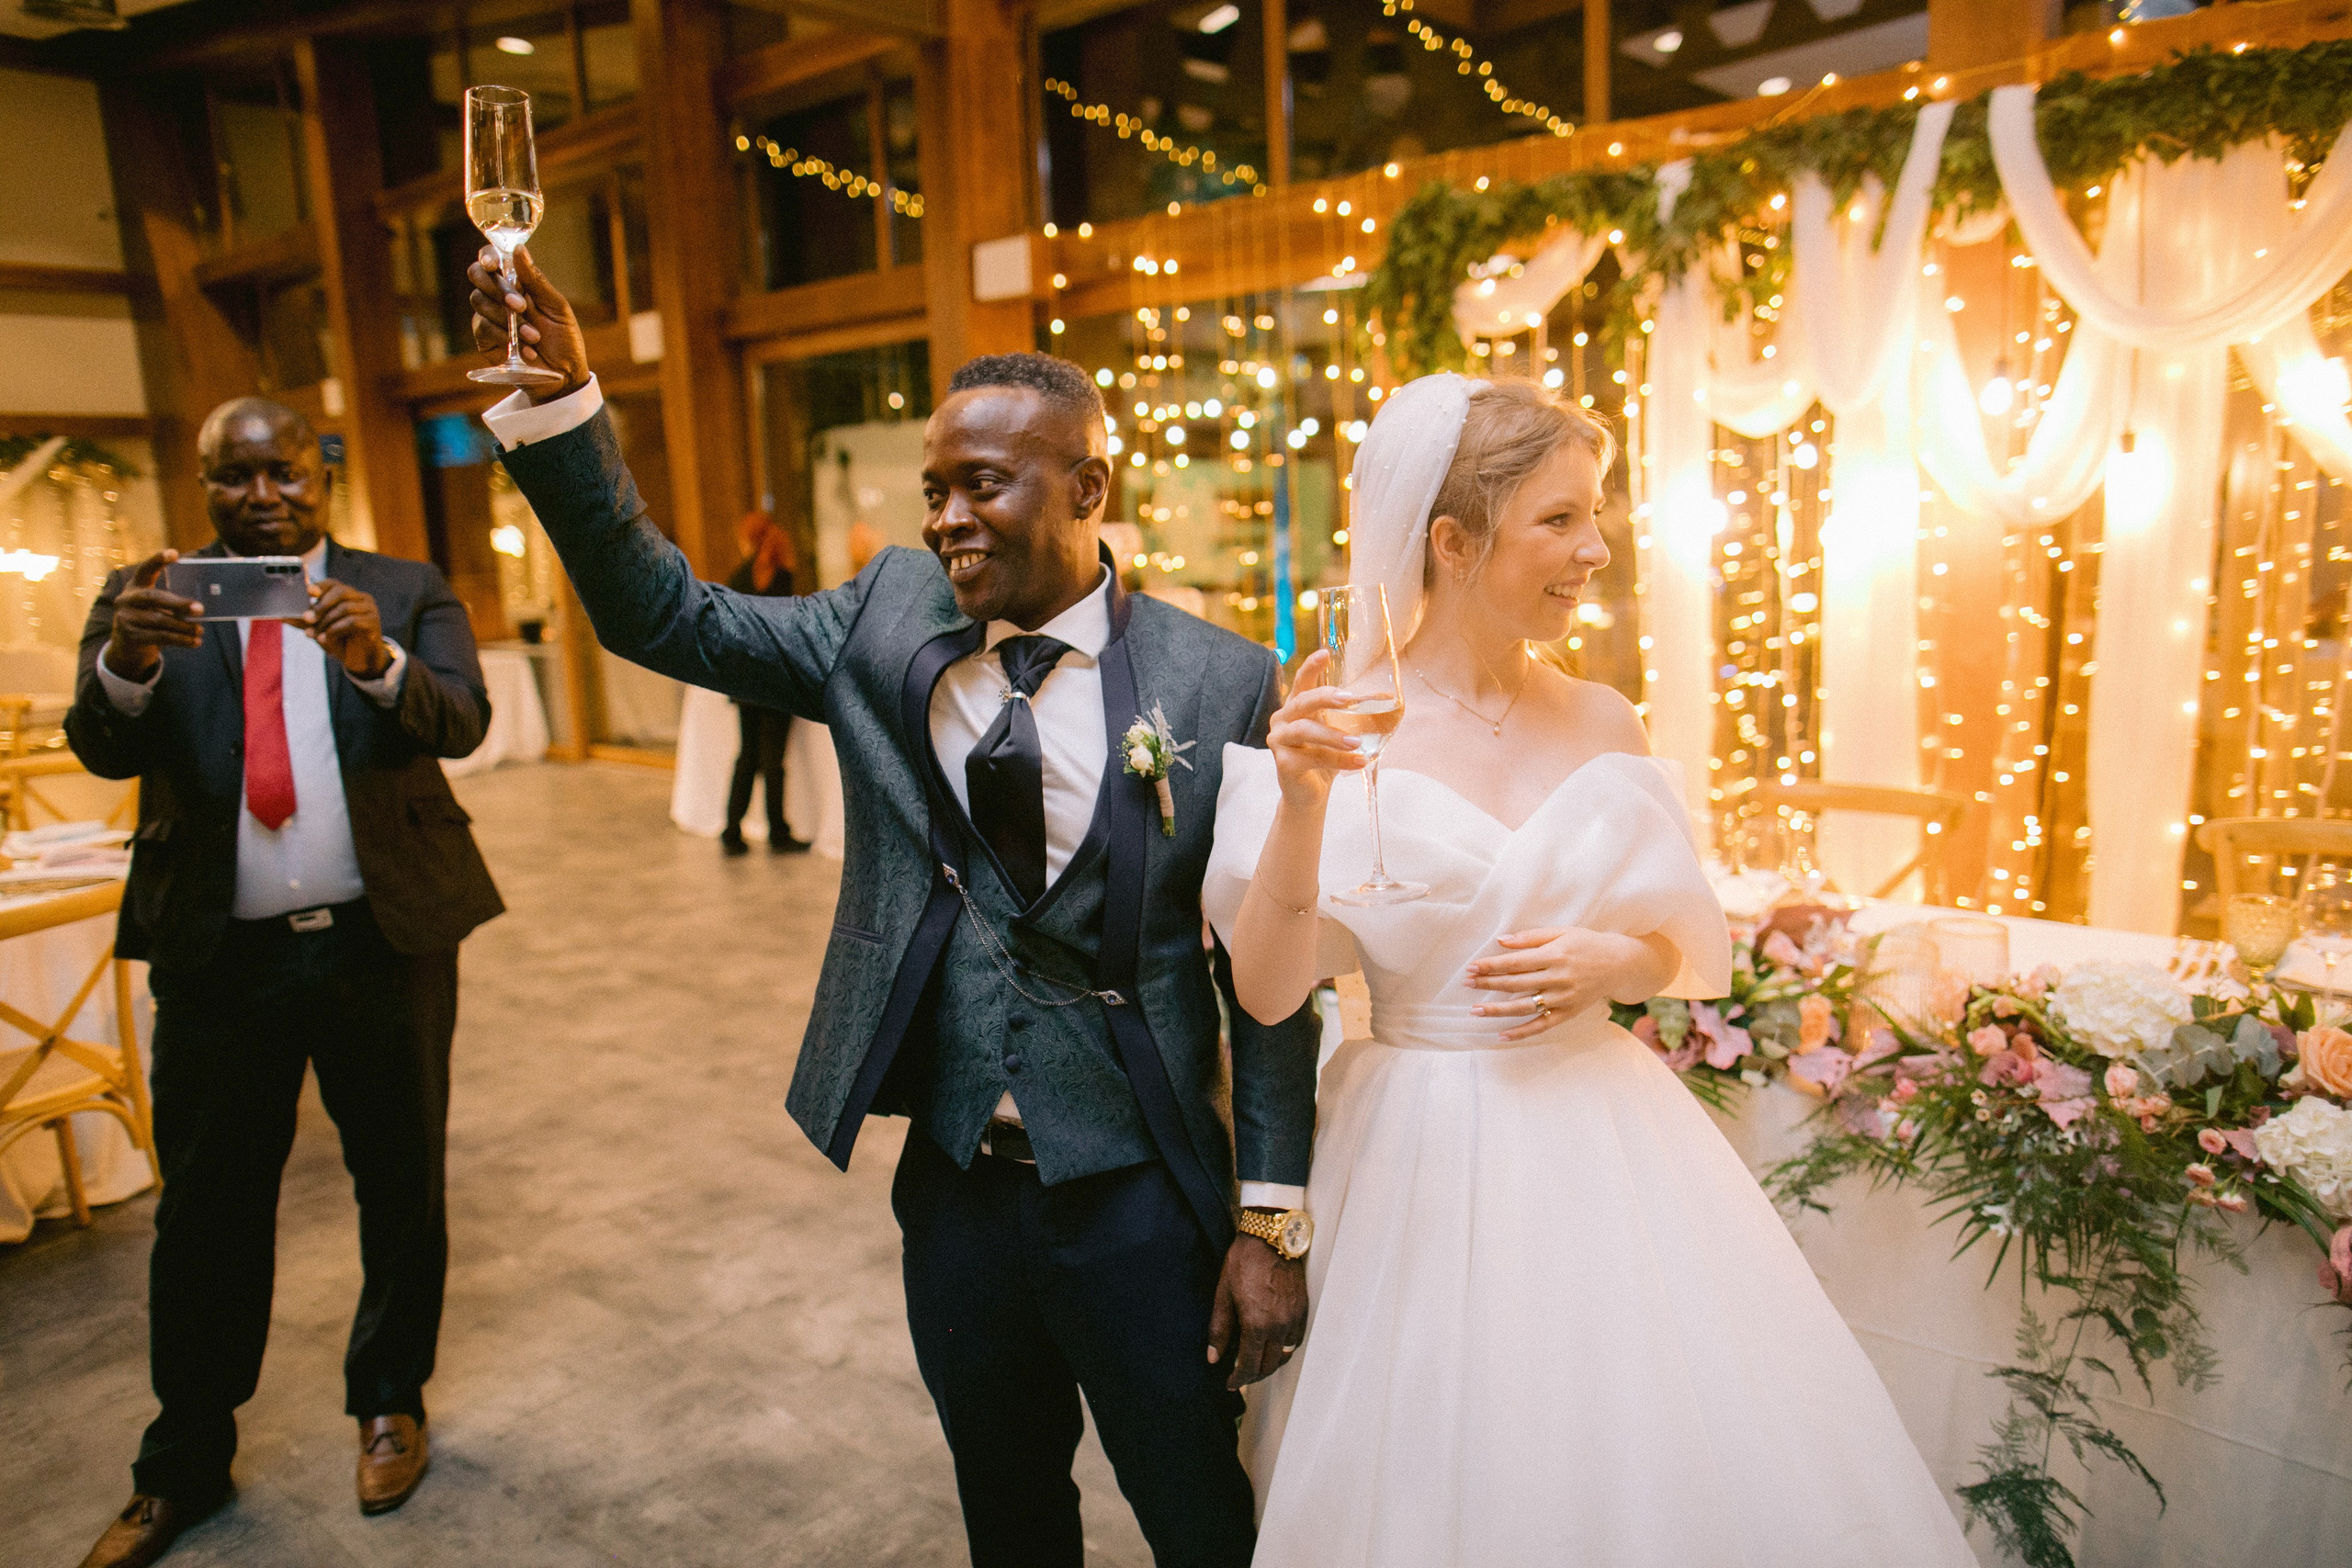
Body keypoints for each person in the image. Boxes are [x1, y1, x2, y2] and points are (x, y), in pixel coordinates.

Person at [467, 247, 1320, 1566]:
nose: (947, 519)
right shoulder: (884, 615)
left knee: (1197, 1513)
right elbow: (663, 616)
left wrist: (1270, 1217)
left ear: (1089, 488)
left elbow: (1269, 976)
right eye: (934, 490)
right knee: (1007, 1509)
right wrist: (567, 411)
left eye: (983, 483)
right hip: (959, 1194)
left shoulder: (1223, 681)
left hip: (1145, 1192)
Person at [1205, 375, 1981, 1566]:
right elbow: (1267, 992)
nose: (1596, 550)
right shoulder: (1343, 723)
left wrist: (1612, 958)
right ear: (1453, 541)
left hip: (1603, 1129)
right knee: (1446, 1458)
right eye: (1560, 519)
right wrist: (1301, 803)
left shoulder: (1605, 718)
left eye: (1597, 515)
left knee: (1645, 1438)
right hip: (1417, 1143)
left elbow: (1675, 943)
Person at [65, 399, 504, 1568]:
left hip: (383, 944)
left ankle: (389, 1401)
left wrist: (376, 661)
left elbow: (463, 721)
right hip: (219, 958)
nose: (262, 495)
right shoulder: (146, 597)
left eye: (285, 471)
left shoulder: (401, 588)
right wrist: (127, 659)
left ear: (323, 473)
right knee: (206, 1211)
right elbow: (99, 746)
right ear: (204, 483)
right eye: (234, 475)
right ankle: (182, 1461)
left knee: (399, 1182)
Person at [720, 509, 809, 855]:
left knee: (747, 757)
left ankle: (732, 830)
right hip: (774, 679)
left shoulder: (738, 576)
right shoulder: (782, 577)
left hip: (746, 682)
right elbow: (789, 629)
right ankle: (778, 833)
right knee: (774, 761)